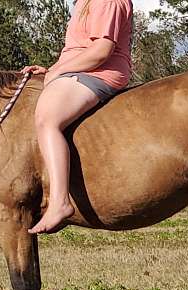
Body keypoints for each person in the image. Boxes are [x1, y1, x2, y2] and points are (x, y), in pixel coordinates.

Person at [22, 0, 133, 234]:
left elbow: (102, 50)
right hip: (79, 70)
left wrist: (59, 71)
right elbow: (78, 48)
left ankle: (60, 202)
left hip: (100, 72)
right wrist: (52, 68)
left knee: (47, 118)